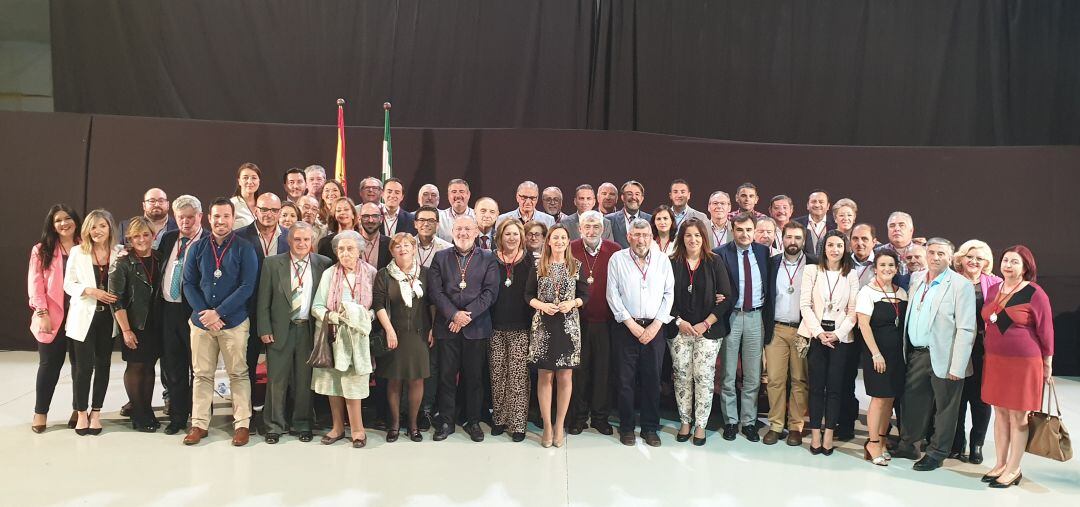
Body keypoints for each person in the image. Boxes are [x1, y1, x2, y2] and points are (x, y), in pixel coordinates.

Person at [891, 238, 976, 471]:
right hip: (918, 354)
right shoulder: (917, 278)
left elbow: (966, 328)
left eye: (941, 253)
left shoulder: (961, 285)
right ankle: (909, 445)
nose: (935, 257)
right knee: (913, 402)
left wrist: (957, 366)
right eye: (932, 252)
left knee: (945, 408)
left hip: (946, 356)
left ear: (950, 257)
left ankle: (937, 453)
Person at [181, 198, 260, 447]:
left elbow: (248, 286)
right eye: (216, 216)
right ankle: (199, 424)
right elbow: (188, 284)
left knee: (238, 373)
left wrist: (220, 313)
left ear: (233, 217)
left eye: (226, 216)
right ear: (208, 218)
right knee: (202, 375)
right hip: (202, 323)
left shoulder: (245, 248)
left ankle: (242, 424)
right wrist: (206, 312)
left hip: (234, 322)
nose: (221, 221)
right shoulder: (197, 248)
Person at [980, 245, 1054, 488]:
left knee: (1018, 416)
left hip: (1024, 363)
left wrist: (1047, 363)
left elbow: (1046, 331)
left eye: (1015, 262)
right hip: (996, 361)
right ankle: (1000, 463)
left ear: (1025, 268)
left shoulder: (1034, 293)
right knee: (1000, 413)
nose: (1008, 265)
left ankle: (1014, 468)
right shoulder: (993, 289)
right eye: (1006, 260)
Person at [256, 222, 332, 444]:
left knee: (304, 380)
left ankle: (303, 423)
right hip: (280, 329)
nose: (301, 244)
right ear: (289, 241)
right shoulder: (272, 263)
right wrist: (264, 328)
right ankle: (274, 425)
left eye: (306, 240)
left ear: (312, 242)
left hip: (308, 329)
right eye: (297, 239)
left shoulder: (323, 264)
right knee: (277, 380)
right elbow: (263, 300)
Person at [429, 216, 500, 442]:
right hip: (447, 326)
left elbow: (490, 292)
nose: (463, 232)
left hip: (476, 326)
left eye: (468, 228)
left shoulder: (488, 258)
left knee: (474, 378)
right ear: (452, 231)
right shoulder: (440, 257)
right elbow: (436, 292)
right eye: (459, 228)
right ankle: (447, 421)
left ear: (477, 231)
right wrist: (454, 315)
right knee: (447, 377)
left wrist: (465, 316)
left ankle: (473, 421)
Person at [606, 219, 674, 447]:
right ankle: (626, 427)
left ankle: (650, 428)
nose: (641, 239)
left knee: (652, 381)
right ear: (629, 237)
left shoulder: (663, 261)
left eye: (645, 235)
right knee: (625, 381)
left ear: (652, 237)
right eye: (636, 235)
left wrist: (655, 326)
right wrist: (631, 325)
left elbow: (669, 295)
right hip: (626, 328)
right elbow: (612, 294)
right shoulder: (618, 259)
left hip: (655, 329)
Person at [667, 218, 733, 446]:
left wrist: (705, 323)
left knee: (704, 378)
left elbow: (726, 298)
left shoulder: (715, 261)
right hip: (679, 329)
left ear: (703, 238)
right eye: (688, 235)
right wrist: (679, 321)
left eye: (697, 235)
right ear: (681, 239)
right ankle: (685, 421)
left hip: (708, 330)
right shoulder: (671, 262)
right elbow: (664, 297)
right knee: (682, 377)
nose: (692, 239)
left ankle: (700, 425)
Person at [310, 230, 378, 448]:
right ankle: (337, 427)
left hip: (358, 338)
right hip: (333, 336)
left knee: (353, 384)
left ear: (360, 250)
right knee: (333, 384)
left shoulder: (370, 273)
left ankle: (358, 430)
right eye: (341, 249)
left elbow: (378, 306)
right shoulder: (330, 274)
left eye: (350, 248)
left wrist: (367, 315)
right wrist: (333, 316)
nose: (345, 253)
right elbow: (317, 306)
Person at [798, 230, 860, 455]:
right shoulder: (812, 271)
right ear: (823, 247)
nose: (835, 249)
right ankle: (815, 433)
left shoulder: (851, 275)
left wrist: (837, 334)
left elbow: (853, 312)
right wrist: (818, 333)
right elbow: (805, 305)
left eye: (839, 246)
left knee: (835, 389)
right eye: (831, 245)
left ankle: (829, 435)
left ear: (845, 250)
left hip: (841, 338)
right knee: (816, 388)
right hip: (816, 336)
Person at [714, 212, 774, 442]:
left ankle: (748, 422)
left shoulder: (762, 251)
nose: (745, 234)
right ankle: (730, 421)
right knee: (728, 373)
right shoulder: (720, 253)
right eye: (740, 230)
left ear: (754, 230)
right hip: (731, 317)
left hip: (755, 317)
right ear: (733, 230)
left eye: (749, 230)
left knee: (752, 374)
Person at [527, 224, 588, 447]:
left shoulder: (576, 266)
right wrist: (541, 305)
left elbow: (585, 296)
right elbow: (527, 295)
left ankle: (559, 425)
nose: (560, 241)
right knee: (545, 376)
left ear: (568, 241)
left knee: (564, 376)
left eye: (563, 237)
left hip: (568, 327)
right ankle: (546, 426)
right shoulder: (537, 265)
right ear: (549, 241)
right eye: (555, 238)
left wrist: (573, 302)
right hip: (543, 326)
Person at [64, 209, 121, 436]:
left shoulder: (120, 253)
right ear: (87, 230)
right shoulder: (78, 252)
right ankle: (81, 414)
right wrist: (90, 290)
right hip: (83, 318)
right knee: (83, 368)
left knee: (104, 365)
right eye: (93, 226)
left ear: (110, 229)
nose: (97, 231)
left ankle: (96, 413)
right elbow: (69, 284)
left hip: (108, 318)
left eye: (102, 226)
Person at [372, 233, 433, 443]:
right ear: (392, 251)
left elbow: (432, 302)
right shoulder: (384, 274)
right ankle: (395, 424)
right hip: (394, 333)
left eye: (407, 245)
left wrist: (432, 328)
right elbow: (378, 304)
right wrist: (389, 330)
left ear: (414, 249)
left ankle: (414, 424)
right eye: (397, 246)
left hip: (419, 334)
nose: (402, 249)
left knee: (416, 380)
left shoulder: (425, 273)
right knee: (394, 380)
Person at [157, 195, 209, 435]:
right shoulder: (168, 239)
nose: (186, 222)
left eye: (190, 217)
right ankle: (178, 416)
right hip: (169, 310)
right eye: (181, 217)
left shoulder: (209, 241)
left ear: (200, 217)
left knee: (199, 368)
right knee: (174, 366)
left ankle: (200, 417)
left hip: (196, 311)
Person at [28, 204, 81, 433]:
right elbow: (35, 284)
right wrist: (42, 314)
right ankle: (40, 412)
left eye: (67, 218)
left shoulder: (86, 246)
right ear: (52, 224)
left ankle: (78, 410)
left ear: (76, 221)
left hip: (81, 315)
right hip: (52, 315)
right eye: (58, 220)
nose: (63, 223)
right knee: (49, 365)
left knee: (81, 366)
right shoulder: (42, 249)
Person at [567, 210, 621, 436]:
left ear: (603, 229)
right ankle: (579, 417)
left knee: (603, 371)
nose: (591, 231)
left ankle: (600, 417)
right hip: (577, 320)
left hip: (606, 321)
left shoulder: (615, 250)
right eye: (587, 227)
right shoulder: (570, 248)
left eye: (596, 227)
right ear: (580, 229)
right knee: (580, 370)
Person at [948, 239, 1002, 463]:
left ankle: (977, 445)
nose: (974, 261)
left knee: (981, 400)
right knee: (956, 399)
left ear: (986, 262)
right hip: (955, 346)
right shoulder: (951, 281)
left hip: (983, 350)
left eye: (980, 258)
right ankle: (956, 444)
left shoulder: (995, 283)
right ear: (961, 258)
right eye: (970, 256)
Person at [110, 217, 166, 432]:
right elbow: (117, 299)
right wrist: (126, 330)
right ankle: (139, 413)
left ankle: (146, 408)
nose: (142, 239)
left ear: (153, 236)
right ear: (129, 239)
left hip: (155, 323)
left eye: (146, 235)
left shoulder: (160, 258)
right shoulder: (122, 262)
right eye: (136, 236)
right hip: (133, 324)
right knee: (135, 366)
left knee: (150, 366)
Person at [237, 192, 289, 420]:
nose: (268, 214)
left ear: (280, 212)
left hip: (280, 313)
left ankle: (275, 414)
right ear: (255, 210)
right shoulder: (239, 237)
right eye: (264, 209)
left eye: (274, 210)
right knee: (245, 367)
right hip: (247, 311)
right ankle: (244, 416)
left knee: (278, 368)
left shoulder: (290, 237)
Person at [856, 250, 908, 465]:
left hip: (898, 356)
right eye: (882, 265)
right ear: (875, 268)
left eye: (891, 265)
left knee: (889, 399)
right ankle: (873, 441)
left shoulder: (902, 293)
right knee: (878, 399)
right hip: (877, 355)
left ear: (896, 269)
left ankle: (883, 440)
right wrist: (876, 353)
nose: (887, 269)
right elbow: (863, 325)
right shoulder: (867, 293)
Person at [762, 221, 812, 446]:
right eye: (789, 237)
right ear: (782, 239)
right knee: (775, 379)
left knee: (800, 380)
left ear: (804, 240)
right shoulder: (771, 263)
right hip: (778, 328)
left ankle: (795, 426)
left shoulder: (813, 264)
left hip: (803, 330)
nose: (793, 242)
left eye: (798, 238)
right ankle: (775, 424)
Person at [489, 219, 533, 442]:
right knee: (497, 375)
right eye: (507, 234)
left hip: (521, 327)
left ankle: (518, 424)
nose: (512, 238)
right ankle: (499, 419)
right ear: (500, 236)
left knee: (518, 377)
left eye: (516, 234)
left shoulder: (530, 262)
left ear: (521, 237)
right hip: (495, 326)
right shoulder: (491, 260)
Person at [412, 205, 451, 429]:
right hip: (408, 313)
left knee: (432, 366)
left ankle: (426, 410)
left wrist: (435, 323)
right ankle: (409, 411)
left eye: (431, 220)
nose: (426, 223)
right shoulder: (405, 244)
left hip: (436, 313)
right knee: (410, 364)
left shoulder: (446, 249)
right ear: (415, 223)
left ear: (438, 224)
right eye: (422, 220)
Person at [874, 211, 924, 276]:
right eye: (892, 226)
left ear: (911, 230)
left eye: (901, 225)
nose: (897, 229)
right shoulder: (876, 253)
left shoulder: (924, 252)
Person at [606, 180, 651, 249]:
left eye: (637, 194)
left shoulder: (650, 220)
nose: (633, 197)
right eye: (629, 194)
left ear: (642, 199)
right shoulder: (609, 220)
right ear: (622, 197)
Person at [317, 196, 359, 262]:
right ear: (334, 216)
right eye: (339, 210)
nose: (342, 213)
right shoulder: (325, 243)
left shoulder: (362, 239)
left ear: (353, 214)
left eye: (346, 209)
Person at [793, 190, 834, 257]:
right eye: (813, 201)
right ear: (807, 205)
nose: (817, 205)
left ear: (828, 206)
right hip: (804, 264)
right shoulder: (795, 223)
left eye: (821, 202)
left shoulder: (836, 223)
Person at [357, 202, 392, 269]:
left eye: (375, 216)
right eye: (366, 216)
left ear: (381, 219)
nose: (370, 220)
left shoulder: (390, 244)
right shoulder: (352, 242)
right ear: (359, 219)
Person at [229, 162, 261, 230]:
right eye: (245, 178)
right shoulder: (231, 204)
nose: (249, 181)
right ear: (239, 181)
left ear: (259, 181)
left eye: (254, 178)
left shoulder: (263, 204)